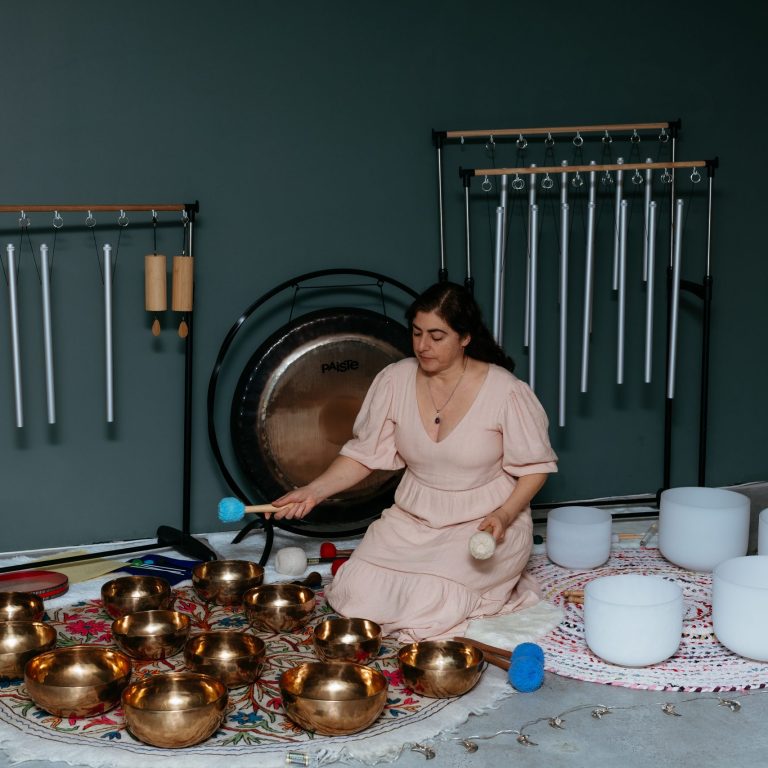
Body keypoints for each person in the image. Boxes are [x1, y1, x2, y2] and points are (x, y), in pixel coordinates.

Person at [271, 281, 558, 642]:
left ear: (465, 337)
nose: (423, 346)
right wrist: (313, 491)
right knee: (354, 589)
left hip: (483, 523)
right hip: (414, 520)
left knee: (429, 602)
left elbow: (535, 468)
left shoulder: (505, 391)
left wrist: (504, 514)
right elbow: (363, 455)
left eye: (437, 336)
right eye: (417, 332)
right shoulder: (395, 379)